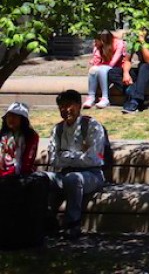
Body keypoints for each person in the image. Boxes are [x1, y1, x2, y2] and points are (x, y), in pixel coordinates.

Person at [39, 90, 108, 239]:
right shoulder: (57, 129)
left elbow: (93, 159)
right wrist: (77, 156)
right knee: (41, 178)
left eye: (69, 105)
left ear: (78, 106)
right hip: (63, 173)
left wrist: (66, 155)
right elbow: (53, 159)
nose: (65, 110)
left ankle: (73, 224)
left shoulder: (92, 126)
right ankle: (47, 220)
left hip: (92, 174)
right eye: (61, 107)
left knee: (73, 178)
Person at [0, 102, 47, 249]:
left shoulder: (31, 137)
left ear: (23, 120)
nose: (11, 119)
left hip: (18, 178)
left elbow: (27, 162)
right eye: (9, 116)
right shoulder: (2, 136)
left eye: (16, 116)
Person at [110, 28, 149, 113]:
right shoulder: (132, 37)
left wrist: (142, 41)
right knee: (113, 72)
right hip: (144, 70)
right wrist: (125, 73)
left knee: (144, 66)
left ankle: (135, 102)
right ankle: (136, 95)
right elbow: (127, 60)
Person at [82, 30, 125, 110]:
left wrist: (101, 66)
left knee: (102, 69)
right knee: (93, 70)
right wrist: (96, 49)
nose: (95, 42)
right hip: (103, 66)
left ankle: (105, 98)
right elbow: (96, 62)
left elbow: (113, 62)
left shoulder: (119, 43)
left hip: (116, 68)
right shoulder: (99, 46)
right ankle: (91, 97)